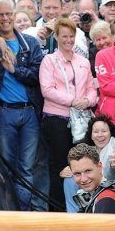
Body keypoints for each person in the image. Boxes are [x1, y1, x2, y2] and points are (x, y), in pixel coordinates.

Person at [0, 0, 44, 212]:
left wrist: (15, 70)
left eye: (8, 13)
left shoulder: (29, 43)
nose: (5, 18)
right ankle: (9, 214)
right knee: (5, 168)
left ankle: (24, 215)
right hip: (3, 112)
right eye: (0, 14)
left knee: (27, 169)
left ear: (14, 14)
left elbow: (37, 76)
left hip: (29, 112)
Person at [40, 18, 97, 212]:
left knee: (81, 165)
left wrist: (87, 101)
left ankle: (82, 208)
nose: (68, 40)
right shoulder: (49, 60)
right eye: (64, 36)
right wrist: (72, 100)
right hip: (57, 119)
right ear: (56, 37)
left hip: (80, 121)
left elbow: (91, 87)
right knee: (59, 167)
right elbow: (47, 90)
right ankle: (57, 210)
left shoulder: (83, 61)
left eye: (71, 36)